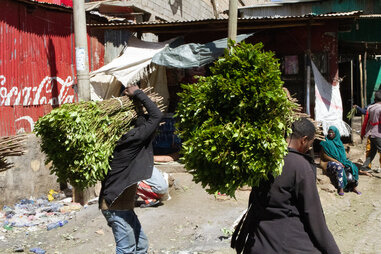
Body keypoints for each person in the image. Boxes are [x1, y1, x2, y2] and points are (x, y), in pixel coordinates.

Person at [231, 118, 340, 254]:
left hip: (256, 243)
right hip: (286, 245)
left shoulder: (264, 159)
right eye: (310, 144)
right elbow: (313, 215)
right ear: (304, 140)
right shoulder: (300, 166)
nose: (309, 149)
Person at [99, 84, 163, 254]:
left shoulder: (123, 136)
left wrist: (135, 102)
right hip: (115, 207)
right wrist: (138, 93)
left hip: (123, 206)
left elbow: (146, 119)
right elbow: (156, 116)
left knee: (141, 246)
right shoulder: (131, 139)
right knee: (127, 249)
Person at [320, 126, 361, 196]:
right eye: (329, 132)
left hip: (340, 161)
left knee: (353, 166)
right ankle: (341, 188)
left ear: (336, 133)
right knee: (339, 167)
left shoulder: (339, 142)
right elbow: (325, 156)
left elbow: (343, 155)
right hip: (328, 162)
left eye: (332, 132)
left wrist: (344, 161)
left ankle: (354, 187)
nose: (330, 134)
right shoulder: (325, 143)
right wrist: (336, 161)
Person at [361, 90, 381, 172]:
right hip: (379, 134)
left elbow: (365, 122)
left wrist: (362, 133)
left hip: (371, 133)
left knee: (372, 151)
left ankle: (365, 166)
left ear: (375, 99)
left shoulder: (370, 108)